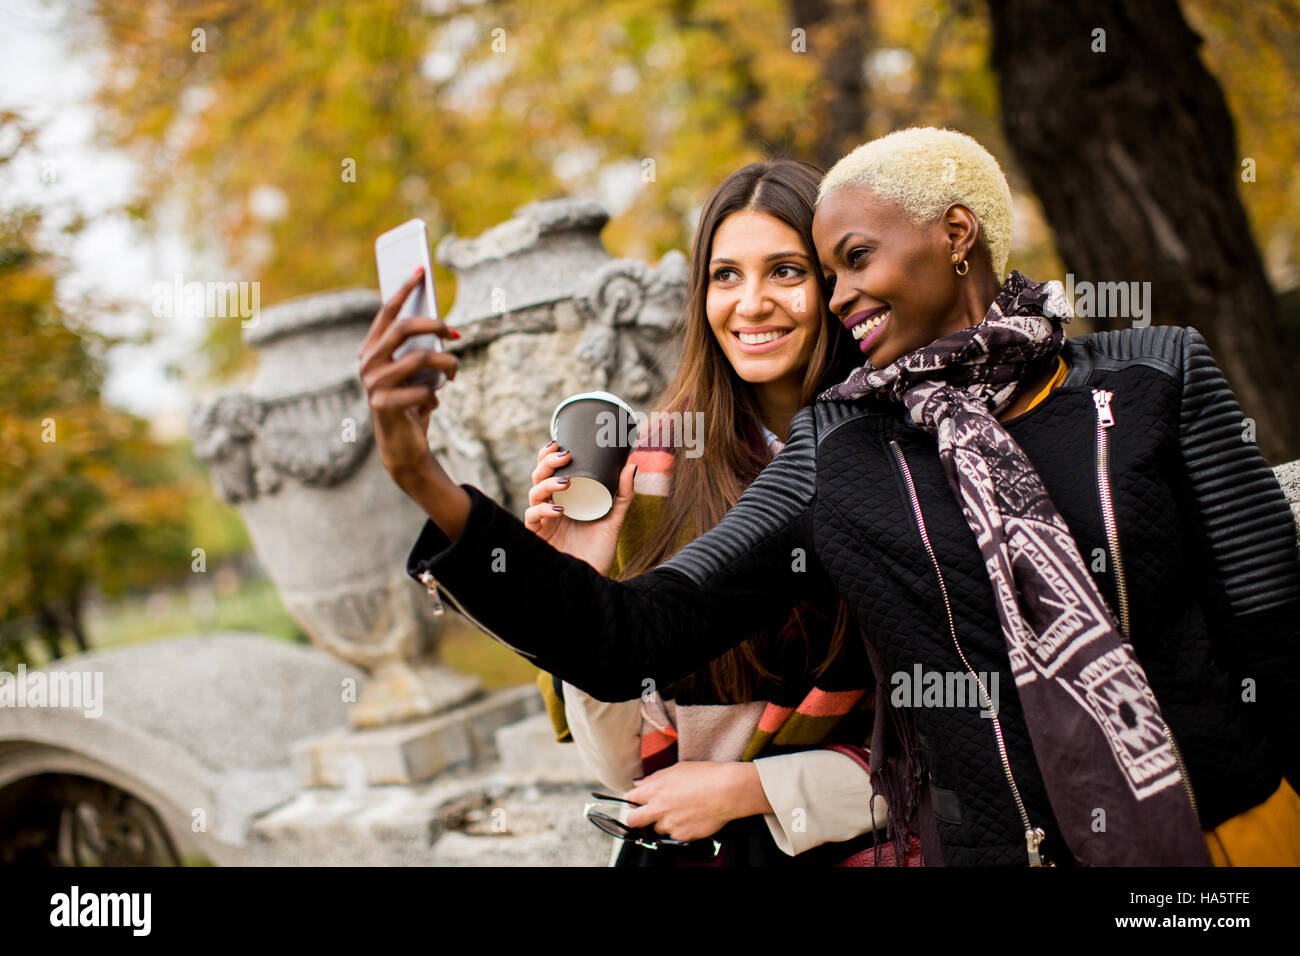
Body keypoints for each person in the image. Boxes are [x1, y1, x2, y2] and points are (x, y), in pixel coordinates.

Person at [363, 127, 1300, 866]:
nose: (839, 295)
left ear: (956, 234)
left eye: (847, 260)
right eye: (827, 271)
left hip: (1229, 836)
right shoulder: (840, 446)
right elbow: (634, 636)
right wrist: (425, 480)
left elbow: (1278, 632)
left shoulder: (1153, 373)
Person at [521, 160, 911, 866]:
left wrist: (754, 787)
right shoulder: (655, 471)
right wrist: (580, 586)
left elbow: (964, 750)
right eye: (725, 275)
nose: (751, 303)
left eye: (786, 271)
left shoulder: (909, 453)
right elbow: (622, 771)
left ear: (833, 286)